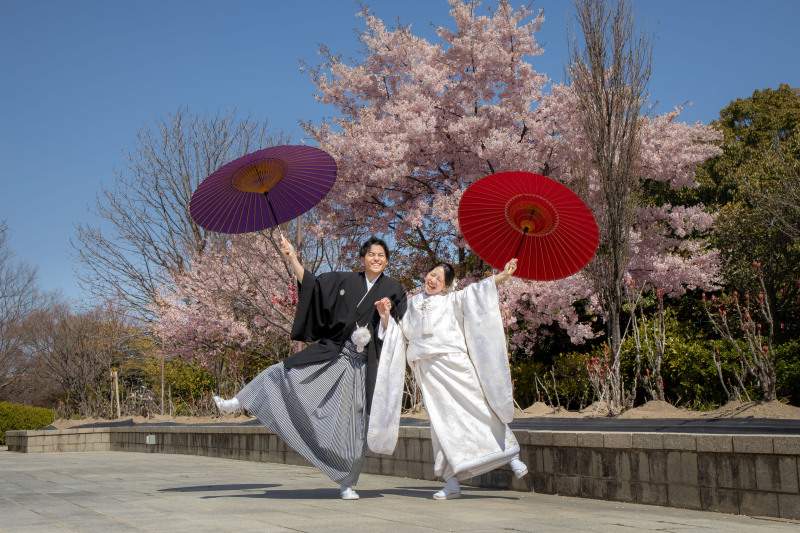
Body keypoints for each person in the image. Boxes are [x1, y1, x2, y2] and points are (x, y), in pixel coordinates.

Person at [214, 235, 407, 500]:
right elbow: (313, 285)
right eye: (372, 254)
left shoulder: (394, 288)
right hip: (334, 354)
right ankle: (239, 400)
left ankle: (347, 482)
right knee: (283, 370)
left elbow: (398, 331)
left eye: (382, 255)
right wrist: (292, 256)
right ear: (362, 259)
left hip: (362, 365)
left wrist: (385, 317)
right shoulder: (344, 280)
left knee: (354, 426)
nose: (377, 258)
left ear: (387, 260)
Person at [368, 259, 527, 500]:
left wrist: (503, 275)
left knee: (478, 407)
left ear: (447, 286)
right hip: (428, 371)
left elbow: (478, 291)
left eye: (439, 279)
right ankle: (451, 482)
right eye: (431, 274)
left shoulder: (454, 300)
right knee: (441, 424)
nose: (432, 280)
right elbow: (398, 335)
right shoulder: (411, 304)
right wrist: (386, 316)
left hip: (455, 364)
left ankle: (511, 455)